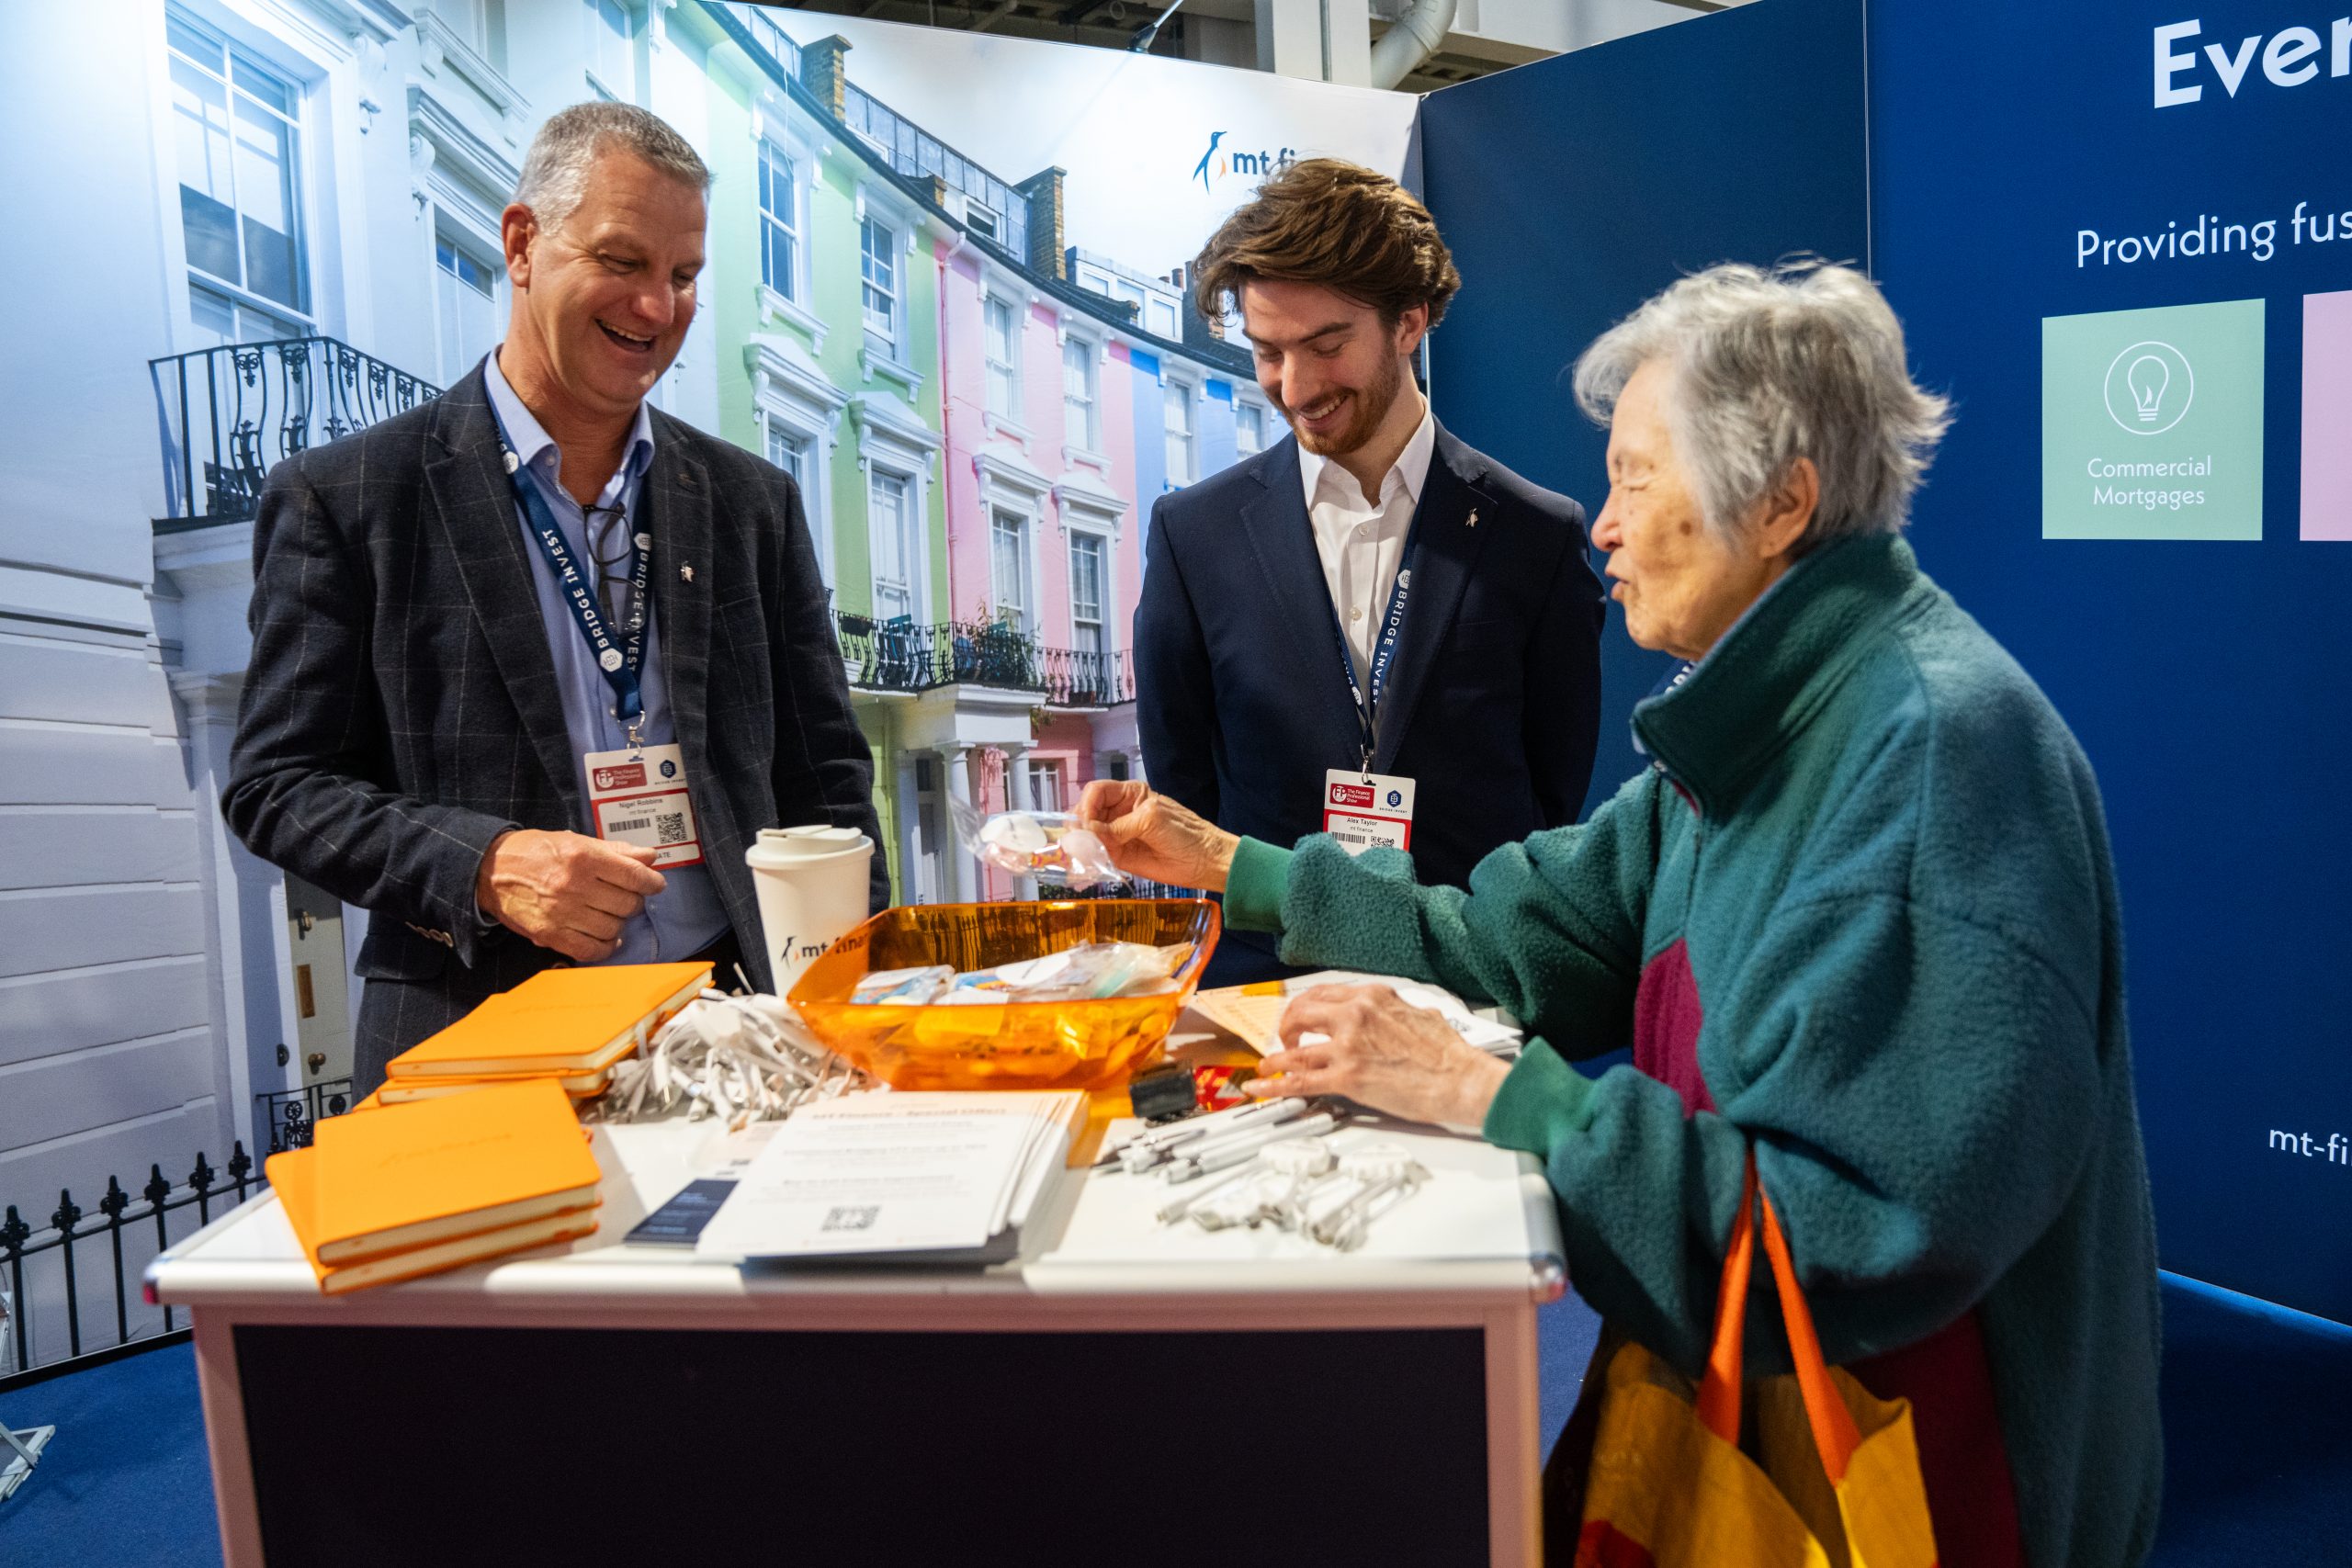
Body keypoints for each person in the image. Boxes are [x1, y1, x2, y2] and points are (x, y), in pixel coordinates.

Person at [1087, 263, 2164, 1568]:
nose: (1601, 526)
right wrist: (1236, 866)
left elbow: (1847, 1240)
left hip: (1922, 1489)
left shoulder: (1935, 755)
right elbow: (1508, 940)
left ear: (1781, 503)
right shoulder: (1759, 723)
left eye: (1635, 482)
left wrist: (1499, 1096)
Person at [225, 103, 886, 1096]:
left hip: (745, 1030)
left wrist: (863, 991)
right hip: (480, 1042)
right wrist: (485, 864)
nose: (657, 306)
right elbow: (278, 786)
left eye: (684, 275)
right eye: (622, 260)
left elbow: (827, 775)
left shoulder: (753, 503)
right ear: (522, 243)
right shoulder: (350, 497)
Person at [1135, 159, 1604, 985]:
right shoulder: (1192, 536)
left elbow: (1552, 795)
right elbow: (1187, 787)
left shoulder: (1537, 536)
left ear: (1409, 321)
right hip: (1265, 997)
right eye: (1268, 352)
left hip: (1468, 993)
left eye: (1326, 345)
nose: (1296, 387)